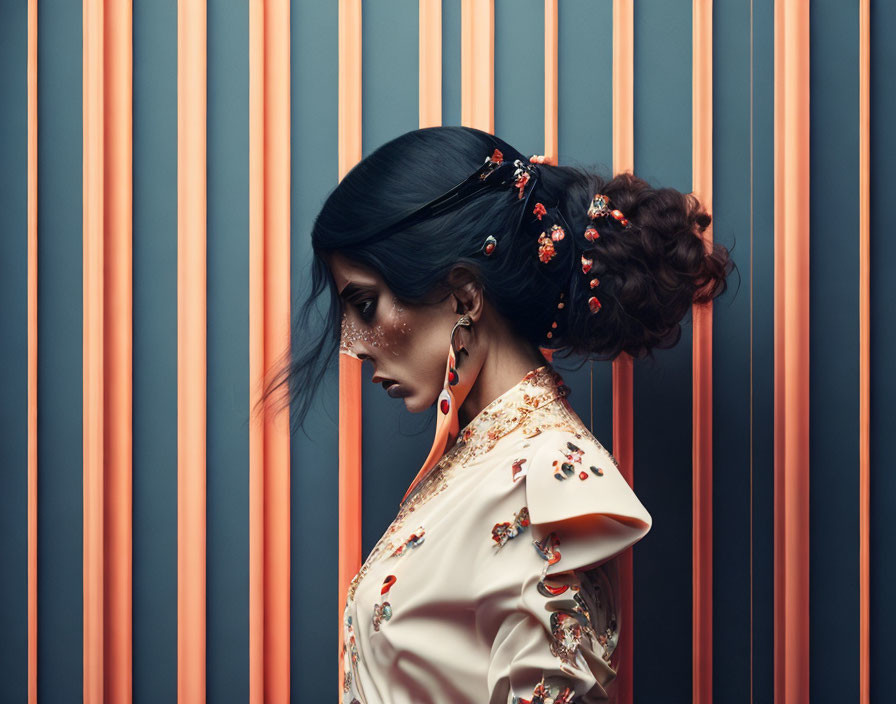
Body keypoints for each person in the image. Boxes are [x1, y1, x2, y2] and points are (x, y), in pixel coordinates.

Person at [260, 126, 734, 703]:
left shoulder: (547, 479)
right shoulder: (481, 463)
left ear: (464, 297)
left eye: (364, 304)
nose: (352, 345)